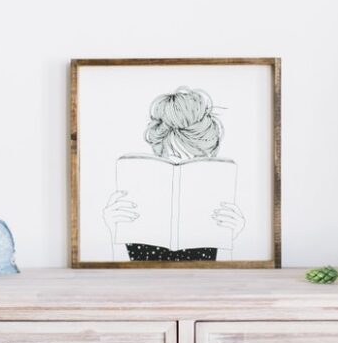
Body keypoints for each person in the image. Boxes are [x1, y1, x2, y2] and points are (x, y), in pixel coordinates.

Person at [103, 87, 245, 261]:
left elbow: (222, 280)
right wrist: (114, 229)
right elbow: (122, 276)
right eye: (173, 158)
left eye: (194, 161)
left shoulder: (217, 210)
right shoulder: (139, 203)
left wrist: (231, 236)